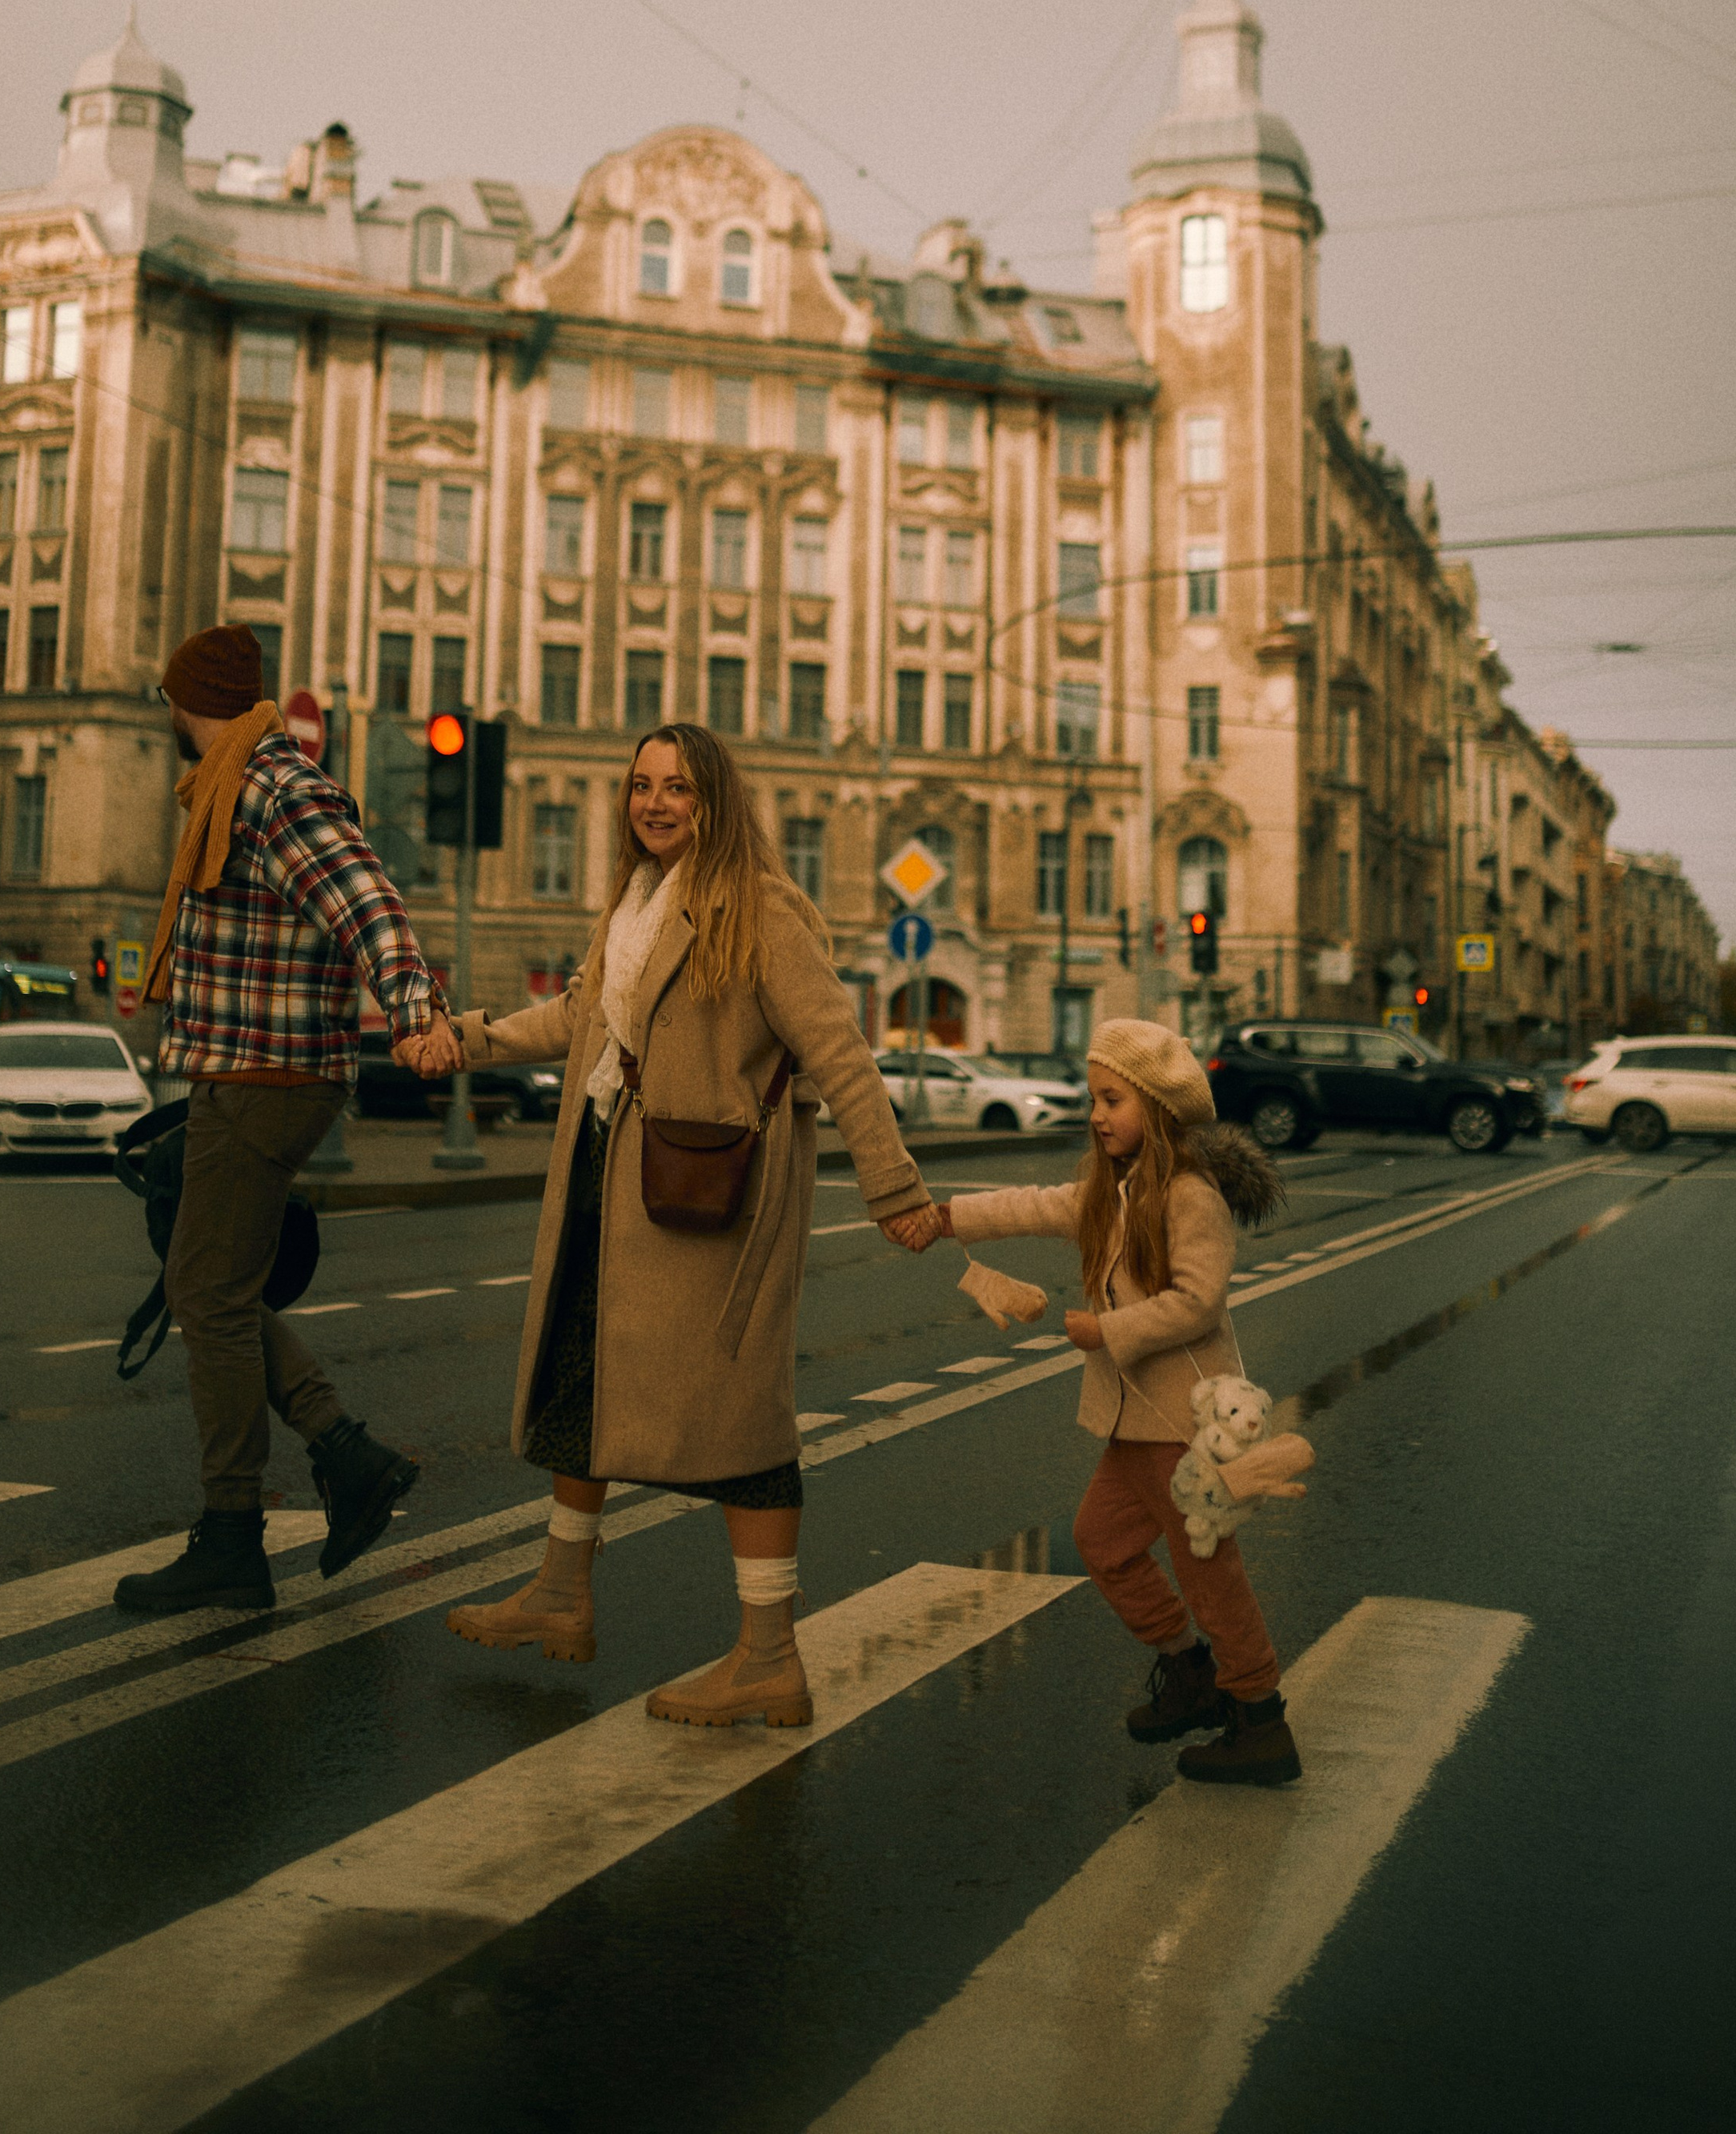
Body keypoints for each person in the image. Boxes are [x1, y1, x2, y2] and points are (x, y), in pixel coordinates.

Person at [445, 721, 932, 1729]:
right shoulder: (634, 902)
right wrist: (464, 1041)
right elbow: (581, 1019)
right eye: (640, 786)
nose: (655, 804)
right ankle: (561, 1590)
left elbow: (839, 1052)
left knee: (737, 1419)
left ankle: (769, 1657)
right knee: (580, 1371)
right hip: (612, 1173)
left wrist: (892, 1188)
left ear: (716, 801)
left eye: (677, 788)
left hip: (712, 1196)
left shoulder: (759, 908)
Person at [114, 623, 460, 1618]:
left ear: (185, 702)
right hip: (242, 1071)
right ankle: (345, 1457)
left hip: (269, 1078)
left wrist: (415, 1013)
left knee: (210, 1299)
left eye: (168, 700)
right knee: (208, 1287)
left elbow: (370, 903)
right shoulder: (233, 787)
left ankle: (235, 1536)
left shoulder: (272, 786)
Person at [901, 1017, 1301, 1785]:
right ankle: (1189, 1670)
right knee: (1103, 1542)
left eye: (1113, 1100)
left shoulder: (1191, 1196)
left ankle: (1260, 1718)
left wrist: (1106, 1330)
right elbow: (1036, 1205)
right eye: (1093, 1099)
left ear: (1158, 1105)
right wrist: (944, 1218)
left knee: (1209, 1572)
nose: (1096, 1115)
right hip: (1135, 1423)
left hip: (1186, 1425)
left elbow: (1198, 1303)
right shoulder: (1116, 1189)